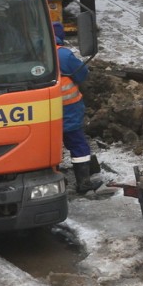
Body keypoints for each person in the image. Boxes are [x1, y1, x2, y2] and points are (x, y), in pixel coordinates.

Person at [53, 22, 102, 194]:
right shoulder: (63, 56)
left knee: (50, 148)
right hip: (68, 111)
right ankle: (84, 183)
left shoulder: (32, 53)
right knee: (78, 146)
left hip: (43, 114)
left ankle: (54, 180)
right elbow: (82, 74)